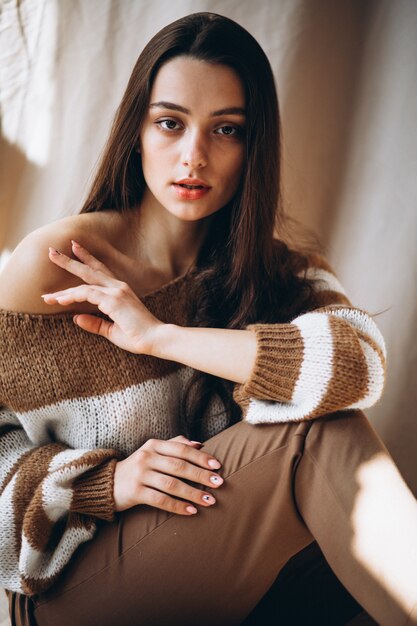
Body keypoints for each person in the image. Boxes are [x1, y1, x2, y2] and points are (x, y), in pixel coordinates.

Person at [0, 11, 416, 626]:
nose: (193, 156)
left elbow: (360, 364)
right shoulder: (58, 266)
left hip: (216, 557)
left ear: (254, 147)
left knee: (347, 522)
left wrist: (164, 338)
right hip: (76, 586)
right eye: (170, 123)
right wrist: (104, 484)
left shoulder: (274, 272)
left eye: (226, 130)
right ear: (135, 132)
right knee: (316, 433)